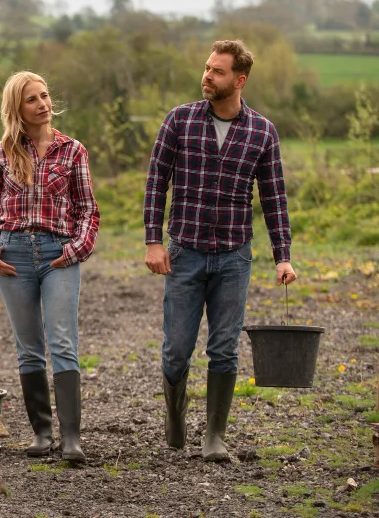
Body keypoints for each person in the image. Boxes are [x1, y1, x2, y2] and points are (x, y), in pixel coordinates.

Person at [143, 39, 297, 463]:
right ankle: (176, 417)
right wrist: (153, 240)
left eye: (218, 71)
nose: (207, 76)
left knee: (224, 347)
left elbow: (274, 198)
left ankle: (214, 435)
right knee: (176, 348)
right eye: (207, 68)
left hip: (234, 255)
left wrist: (281, 255)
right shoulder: (180, 120)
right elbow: (157, 181)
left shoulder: (262, 131)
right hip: (185, 251)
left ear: (240, 80)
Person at [0, 71, 100, 463]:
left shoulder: (72, 150)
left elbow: (88, 211)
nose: (43, 104)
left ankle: (72, 439)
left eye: (45, 96)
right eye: (32, 99)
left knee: (63, 342)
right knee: (29, 349)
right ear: (18, 107)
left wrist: (77, 249)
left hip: (57, 254)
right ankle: (42, 435)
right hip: (13, 255)